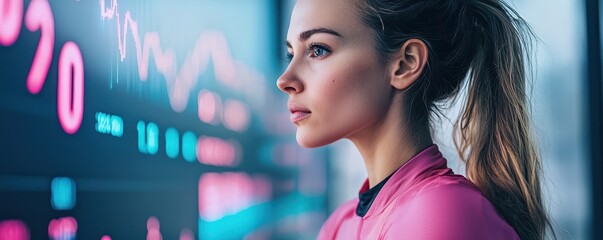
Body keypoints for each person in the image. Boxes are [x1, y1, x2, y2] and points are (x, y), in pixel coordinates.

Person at [277, 0, 555, 239]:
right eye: (291, 54)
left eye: (318, 50)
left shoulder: (442, 213)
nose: (285, 80)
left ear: (406, 63)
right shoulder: (340, 225)